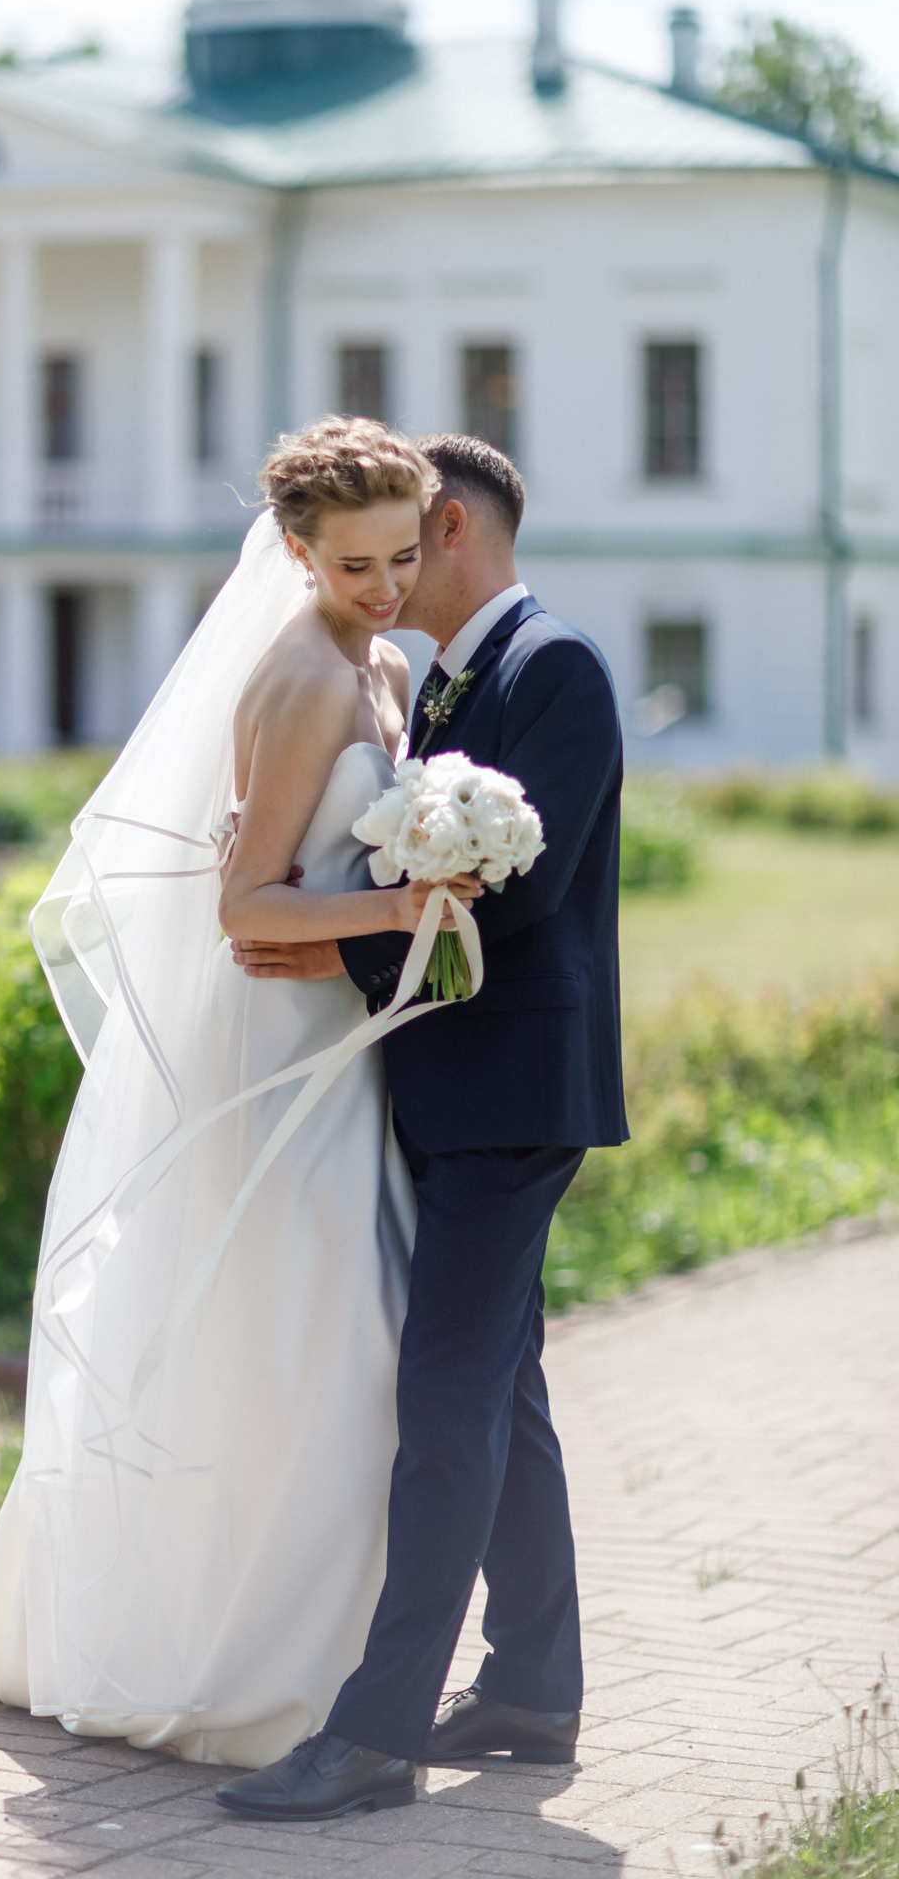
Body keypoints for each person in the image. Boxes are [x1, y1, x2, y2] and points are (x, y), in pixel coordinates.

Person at [0, 418, 480, 1768]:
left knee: (334, 1341)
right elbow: (245, 902)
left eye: (403, 558)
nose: (385, 588)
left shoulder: (385, 661)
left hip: (336, 1048)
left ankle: (312, 1654)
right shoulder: (297, 676)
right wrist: (416, 894)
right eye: (355, 565)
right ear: (296, 550)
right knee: (303, 1340)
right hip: (272, 1044)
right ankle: (251, 1671)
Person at [216, 432, 628, 1822]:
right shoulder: (442, 676)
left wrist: (334, 947)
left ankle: (380, 1730)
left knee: (443, 1398)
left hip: (511, 1092)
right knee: (499, 1382)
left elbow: (509, 898)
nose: (386, 579)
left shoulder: (550, 668)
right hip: (445, 1085)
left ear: (447, 524)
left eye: (404, 546)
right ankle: (529, 1686)